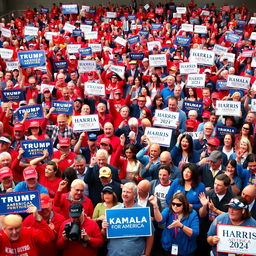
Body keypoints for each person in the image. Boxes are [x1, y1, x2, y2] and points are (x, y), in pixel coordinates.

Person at [102, 182, 154, 256]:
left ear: (134, 195)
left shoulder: (142, 211)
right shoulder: (113, 210)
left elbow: (150, 234)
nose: (125, 194)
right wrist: (103, 228)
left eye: (128, 192)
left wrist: (147, 254)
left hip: (134, 253)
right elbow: (105, 235)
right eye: (123, 191)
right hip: (114, 253)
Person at [149, 192, 199, 256]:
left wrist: (181, 226)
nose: (175, 206)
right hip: (169, 248)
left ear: (184, 204)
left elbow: (195, 233)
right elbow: (160, 220)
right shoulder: (168, 210)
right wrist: (155, 206)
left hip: (186, 250)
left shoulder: (192, 214)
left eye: (178, 205)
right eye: (173, 204)